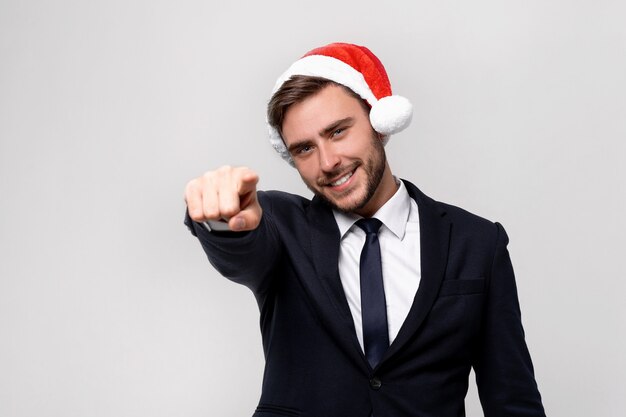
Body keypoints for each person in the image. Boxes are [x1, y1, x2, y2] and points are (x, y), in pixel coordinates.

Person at [184, 43, 546, 417]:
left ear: (380, 123)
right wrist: (220, 219)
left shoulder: (477, 242)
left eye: (338, 131)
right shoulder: (278, 223)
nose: (328, 162)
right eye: (305, 149)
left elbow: (513, 400)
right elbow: (243, 247)